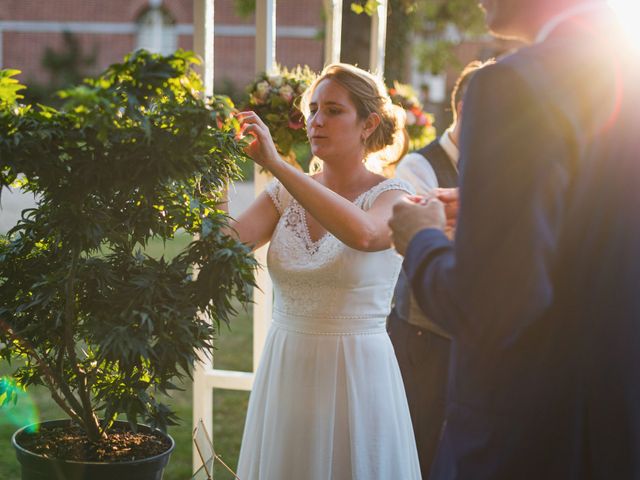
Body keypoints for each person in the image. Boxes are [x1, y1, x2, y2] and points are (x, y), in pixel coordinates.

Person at [388, 0, 640, 478]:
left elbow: (488, 307)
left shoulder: (511, 84)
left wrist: (420, 242)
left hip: (526, 438)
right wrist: (502, 208)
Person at [230, 63, 421, 479]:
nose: (316, 121)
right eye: (313, 109)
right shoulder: (283, 195)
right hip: (288, 365)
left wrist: (279, 165)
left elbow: (367, 236)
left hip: (356, 372)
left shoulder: (395, 196)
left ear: (369, 123)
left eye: (333, 111)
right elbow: (226, 242)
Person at [387, 59, 492, 479]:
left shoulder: (494, 165)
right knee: (420, 441)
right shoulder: (419, 166)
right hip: (422, 333)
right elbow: (415, 239)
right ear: (465, 109)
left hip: (472, 332)